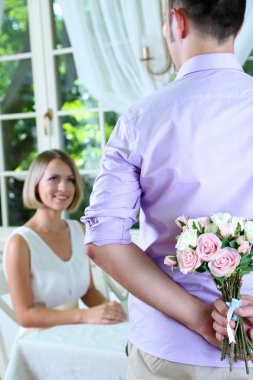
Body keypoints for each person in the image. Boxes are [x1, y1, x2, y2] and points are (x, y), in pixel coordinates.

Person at [81, 1, 253, 379]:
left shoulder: (141, 119)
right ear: (238, 29)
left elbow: (103, 240)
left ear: (176, 21)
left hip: (168, 348)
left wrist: (197, 317)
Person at [3, 149, 126, 338]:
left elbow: (89, 291)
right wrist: (85, 315)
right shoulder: (19, 243)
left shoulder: (79, 231)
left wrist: (108, 310)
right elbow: (25, 316)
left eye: (70, 180)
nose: (64, 187)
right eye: (54, 179)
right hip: (38, 340)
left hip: (76, 333)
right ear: (36, 185)